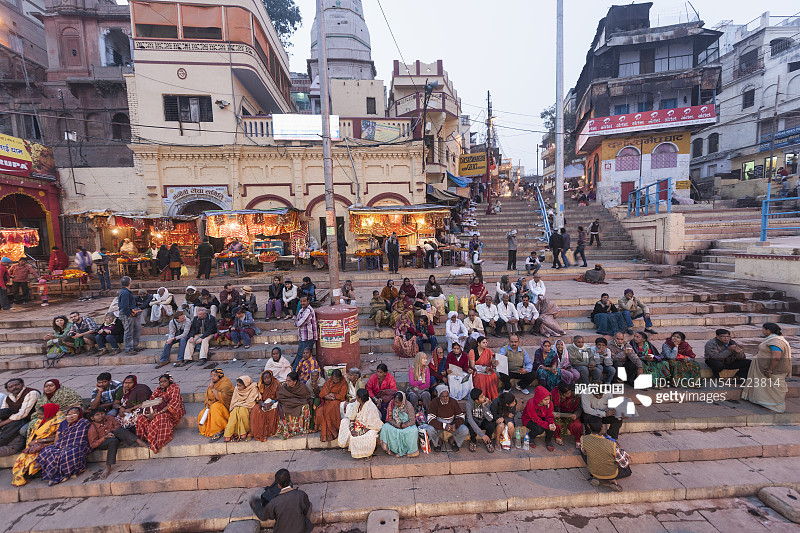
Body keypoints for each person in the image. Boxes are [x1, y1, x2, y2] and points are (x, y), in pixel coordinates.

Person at [742, 323, 792, 413]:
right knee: (768, 388)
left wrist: (769, 370)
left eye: (763, 329)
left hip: (774, 370)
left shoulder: (776, 342)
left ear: (768, 331)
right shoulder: (774, 339)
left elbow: (776, 357)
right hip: (767, 368)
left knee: (775, 389)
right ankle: (768, 404)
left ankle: (777, 408)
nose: (762, 331)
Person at [36, 406, 91, 486]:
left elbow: (81, 438)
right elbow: (57, 437)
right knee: (47, 450)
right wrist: (57, 445)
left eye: (74, 414)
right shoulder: (63, 423)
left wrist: (66, 446)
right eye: (68, 414)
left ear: (79, 415)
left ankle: (66, 474)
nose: (71, 416)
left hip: (78, 446)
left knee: (68, 453)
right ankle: (53, 475)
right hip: (62, 444)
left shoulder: (84, 423)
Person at [12, 403, 63, 486]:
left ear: (49, 413)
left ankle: (31, 473)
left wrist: (38, 441)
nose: (38, 416)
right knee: (22, 458)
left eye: (41, 414)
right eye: (38, 414)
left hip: (48, 444)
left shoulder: (58, 422)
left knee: (32, 457)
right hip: (36, 443)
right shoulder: (39, 422)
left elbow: (57, 437)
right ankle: (20, 476)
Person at [88, 408, 147, 479]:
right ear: (92, 418)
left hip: (114, 435)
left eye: (101, 414)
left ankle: (139, 441)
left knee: (118, 431)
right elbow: (92, 444)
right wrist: (105, 437)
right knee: (113, 441)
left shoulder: (109, 418)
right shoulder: (92, 428)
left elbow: (118, 426)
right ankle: (108, 467)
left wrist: (111, 432)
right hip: (103, 442)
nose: (100, 416)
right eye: (97, 415)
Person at [248, 469, 313, 533]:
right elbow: (306, 507)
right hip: (301, 530)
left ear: (278, 485)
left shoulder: (274, 502)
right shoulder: (301, 494)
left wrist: (255, 504)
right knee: (309, 505)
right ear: (289, 480)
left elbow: (263, 516)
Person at [136, 374, 186, 454]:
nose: (162, 384)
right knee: (141, 418)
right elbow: (151, 401)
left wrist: (156, 414)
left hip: (172, 411)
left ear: (169, 381)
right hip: (157, 410)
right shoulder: (158, 389)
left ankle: (156, 443)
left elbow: (173, 405)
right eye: (160, 382)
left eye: (164, 381)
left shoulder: (174, 388)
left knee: (160, 418)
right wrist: (149, 413)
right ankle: (148, 439)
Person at [581, 416, 630, 491]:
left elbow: (584, 452)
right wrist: (621, 449)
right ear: (602, 427)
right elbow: (624, 463)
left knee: (582, 451)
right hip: (611, 473)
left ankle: (596, 477)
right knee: (626, 468)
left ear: (588, 426)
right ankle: (612, 480)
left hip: (594, 471)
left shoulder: (583, 439)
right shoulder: (612, 444)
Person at [339, 388, 384, 458]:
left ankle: (366, 453)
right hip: (356, 425)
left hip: (367, 428)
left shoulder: (371, 407)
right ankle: (347, 445)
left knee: (370, 435)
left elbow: (372, 425)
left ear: (360, 398)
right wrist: (352, 428)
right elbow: (352, 416)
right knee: (344, 421)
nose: (355, 397)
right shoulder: (357, 403)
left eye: (356, 396)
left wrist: (358, 433)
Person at [0, 378, 39, 455]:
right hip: (17, 420)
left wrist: (2, 423)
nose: (14, 387)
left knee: (22, 430)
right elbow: (3, 411)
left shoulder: (31, 393)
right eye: (11, 387)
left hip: (31, 419)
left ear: (22, 384)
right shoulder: (8, 397)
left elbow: (23, 413)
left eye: (16, 385)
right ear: (7, 390)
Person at [424, 387, 469, 452]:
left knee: (465, 430)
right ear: (439, 396)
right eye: (443, 396)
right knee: (429, 429)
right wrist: (444, 425)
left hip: (451, 422)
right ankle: (438, 441)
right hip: (439, 423)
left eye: (447, 396)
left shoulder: (453, 402)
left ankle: (453, 440)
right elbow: (430, 419)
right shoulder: (434, 402)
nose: (445, 398)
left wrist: (454, 425)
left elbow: (461, 416)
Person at [379, 391, 419, 457]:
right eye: (395, 401)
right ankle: (392, 450)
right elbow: (389, 419)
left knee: (414, 431)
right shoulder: (391, 404)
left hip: (406, 426)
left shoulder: (408, 406)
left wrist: (404, 425)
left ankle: (410, 452)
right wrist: (397, 425)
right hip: (396, 425)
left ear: (402, 401)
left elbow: (412, 421)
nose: (396, 404)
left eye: (398, 402)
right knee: (385, 427)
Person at [198, 368, 233, 440]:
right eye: (211, 375)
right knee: (202, 413)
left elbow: (222, 399)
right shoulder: (212, 383)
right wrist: (208, 404)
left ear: (220, 376)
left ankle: (220, 428)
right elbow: (209, 397)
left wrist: (213, 389)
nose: (212, 377)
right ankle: (210, 430)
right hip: (214, 404)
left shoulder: (225, 384)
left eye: (215, 375)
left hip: (225, 406)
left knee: (215, 408)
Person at [313, 369, 346, 443]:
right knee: (320, 410)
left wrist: (334, 396)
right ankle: (322, 428)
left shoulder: (343, 382)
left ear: (339, 378)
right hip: (328, 400)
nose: (335, 381)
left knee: (329, 409)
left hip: (337, 401)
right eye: (334, 379)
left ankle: (333, 429)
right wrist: (327, 396)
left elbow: (342, 395)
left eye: (337, 380)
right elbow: (322, 393)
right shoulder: (330, 380)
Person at [277, 372, 313, 439]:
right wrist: (293, 401)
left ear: (295, 381)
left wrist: (295, 401)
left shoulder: (301, 386)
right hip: (288, 404)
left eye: (289, 381)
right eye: (286, 380)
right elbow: (281, 397)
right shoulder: (284, 386)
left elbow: (306, 398)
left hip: (298, 404)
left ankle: (301, 430)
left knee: (305, 407)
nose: (286, 382)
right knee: (283, 408)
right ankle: (288, 431)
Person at [223, 375, 258, 442]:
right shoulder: (236, 389)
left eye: (240, 385)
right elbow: (234, 401)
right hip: (238, 406)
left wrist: (240, 405)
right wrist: (238, 406)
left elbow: (250, 402)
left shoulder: (253, 388)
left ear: (245, 385)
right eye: (237, 385)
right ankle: (231, 433)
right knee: (235, 412)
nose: (238, 387)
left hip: (248, 407)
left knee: (241, 411)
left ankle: (245, 431)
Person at [522, 386, 558, 451]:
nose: (548, 401)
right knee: (539, 429)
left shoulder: (550, 403)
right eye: (545, 400)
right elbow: (535, 418)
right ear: (540, 399)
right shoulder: (531, 403)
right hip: (529, 419)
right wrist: (547, 425)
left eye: (549, 399)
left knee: (552, 426)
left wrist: (551, 423)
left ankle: (548, 440)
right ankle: (531, 437)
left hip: (542, 417)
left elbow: (549, 415)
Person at [251, 370, 281, 442]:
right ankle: (259, 432)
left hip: (273, 402)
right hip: (263, 402)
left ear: (271, 377)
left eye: (268, 378)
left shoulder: (276, 384)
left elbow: (279, 397)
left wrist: (271, 403)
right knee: (256, 410)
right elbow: (258, 397)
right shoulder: (260, 385)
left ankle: (270, 431)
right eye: (265, 378)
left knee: (273, 411)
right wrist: (263, 404)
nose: (267, 380)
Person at [552, 383, 584, 448]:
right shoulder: (555, 396)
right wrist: (553, 413)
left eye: (569, 392)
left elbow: (579, 409)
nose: (569, 394)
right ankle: (558, 437)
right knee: (557, 424)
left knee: (578, 426)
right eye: (566, 394)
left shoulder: (575, 396)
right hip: (558, 415)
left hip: (571, 415)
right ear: (561, 393)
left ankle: (578, 439)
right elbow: (550, 408)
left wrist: (576, 414)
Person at [468, 336, 499, 401]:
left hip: (488, 370)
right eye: (483, 342)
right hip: (477, 370)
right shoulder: (472, 351)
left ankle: (491, 397)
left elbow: (492, 363)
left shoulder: (488, 351)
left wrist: (495, 363)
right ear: (478, 343)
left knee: (494, 376)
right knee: (480, 378)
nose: (485, 344)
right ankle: (481, 397)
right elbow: (472, 365)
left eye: (486, 342)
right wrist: (483, 369)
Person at [465, 388, 496, 453]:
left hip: (482, 421)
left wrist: (484, 407)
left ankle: (488, 440)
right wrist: (482, 435)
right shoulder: (469, 404)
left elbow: (490, 418)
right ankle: (473, 441)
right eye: (481, 397)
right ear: (476, 400)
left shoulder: (485, 402)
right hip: (474, 421)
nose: (484, 397)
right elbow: (470, 420)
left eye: (483, 395)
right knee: (470, 424)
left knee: (491, 423)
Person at [118, 276, 142, 354]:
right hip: (127, 315)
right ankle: (128, 348)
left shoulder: (126, 292)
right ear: (129, 283)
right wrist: (129, 314)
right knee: (129, 332)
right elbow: (124, 306)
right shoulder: (124, 293)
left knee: (137, 329)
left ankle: (134, 346)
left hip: (132, 314)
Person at [293, 295, 318, 369]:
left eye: (304, 301)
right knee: (300, 355)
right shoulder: (301, 310)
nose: (302, 303)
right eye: (301, 301)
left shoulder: (308, 310)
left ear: (308, 302)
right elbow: (296, 322)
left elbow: (299, 323)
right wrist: (297, 322)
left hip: (308, 338)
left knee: (305, 356)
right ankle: (296, 372)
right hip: (302, 337)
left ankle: (298, 371)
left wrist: (297, 322)